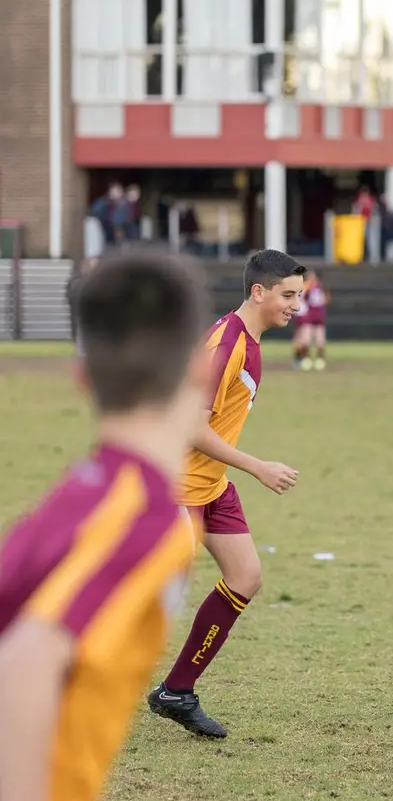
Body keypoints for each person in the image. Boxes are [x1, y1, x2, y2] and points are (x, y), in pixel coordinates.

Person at [0, 252, 210, 801]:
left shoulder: (70, 503)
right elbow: (22, 664)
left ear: (81, 376)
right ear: (199, 367)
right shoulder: (145, 521)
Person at [146, 249, 305, 740]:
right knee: (142, 607)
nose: (296, 306)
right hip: (177, 492)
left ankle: (177, 691)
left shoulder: (250, 339)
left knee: (246, 576)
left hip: (211, 486)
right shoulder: (227, 344)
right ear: (258, 292)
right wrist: (258, 466)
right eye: (288, 295)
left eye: (299, 295)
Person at [293, 269, 328, 372]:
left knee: (319, 340)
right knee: (302, 340)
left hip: (315, 317)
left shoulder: (320, 288)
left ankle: (318, 360)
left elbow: (325, 299)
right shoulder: (305, 287)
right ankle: (302, 359)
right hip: (304, 316)